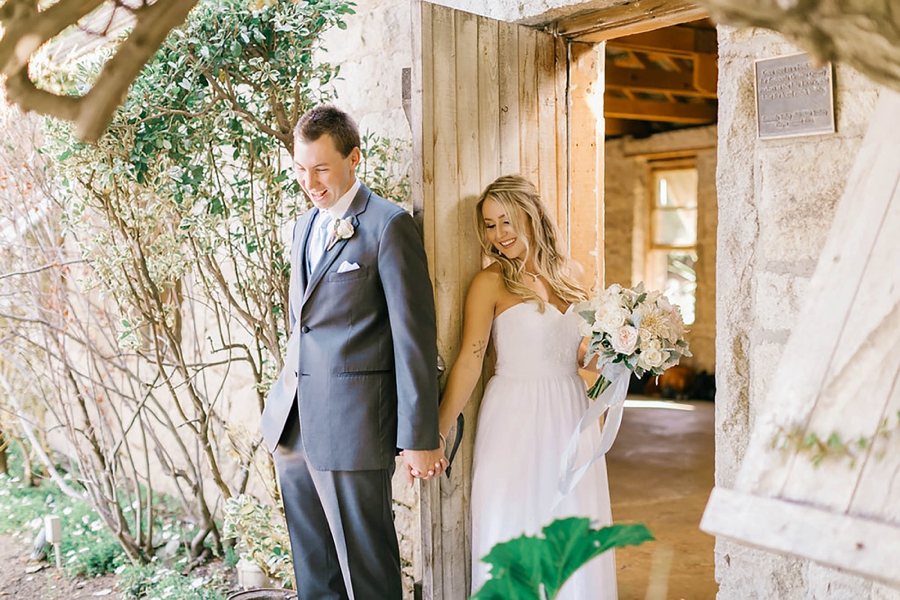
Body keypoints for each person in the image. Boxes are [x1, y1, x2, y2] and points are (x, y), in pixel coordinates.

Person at [260, 105, 447, 600]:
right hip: (294, 424)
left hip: (353, 426)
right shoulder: (303, 226)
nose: (311, 181)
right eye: (301, 169)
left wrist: (419, 435)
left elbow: (413, 338)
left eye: (321, 168)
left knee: (366, 571)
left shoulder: (388, 226)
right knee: (314, 571)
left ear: (354, 158)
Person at [437, 175, 618, 598]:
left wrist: (627, 350)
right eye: (488, 224)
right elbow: (470, 359)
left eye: (506, 220)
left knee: (572, 519)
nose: (498, 234)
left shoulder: (571, 274)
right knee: (514, 515)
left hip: (571, 411)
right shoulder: (491, 282)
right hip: (515, 415)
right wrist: (439, 428)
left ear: (532, 214)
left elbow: (580, 354)